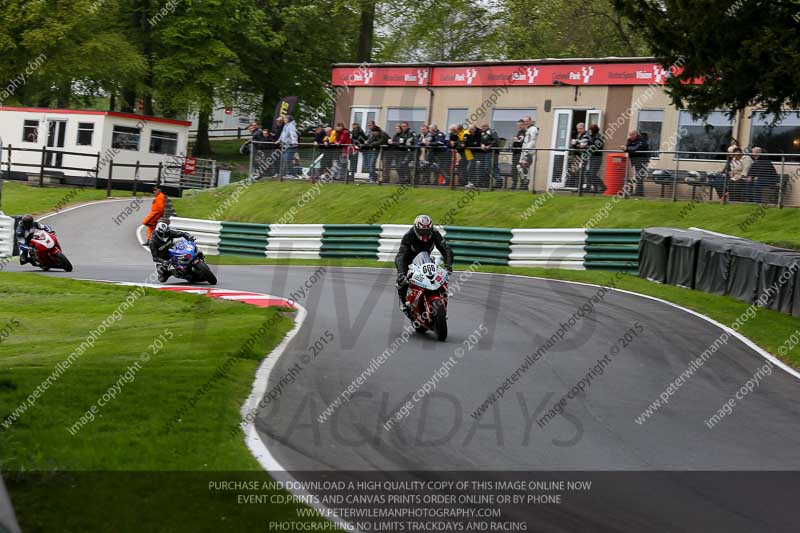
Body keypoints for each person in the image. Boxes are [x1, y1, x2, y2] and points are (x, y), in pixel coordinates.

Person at [394, 215, 454, 317]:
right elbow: (400, 256)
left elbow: (446, 249)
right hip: (409, 262)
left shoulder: (435, 233)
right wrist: (401, 273)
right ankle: (404, 303)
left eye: (427, 231)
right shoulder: (408, 236)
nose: (425, 235)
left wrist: (448, 265)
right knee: (401, 281)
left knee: (442, 277)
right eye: (422, 232)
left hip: (426, 260)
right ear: (416, 229)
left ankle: (442, 298)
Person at [621, 130, 650, 197]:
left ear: (636, 134)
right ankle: (639, 192)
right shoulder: (629, 140)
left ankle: (639, 192)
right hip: (635, 161)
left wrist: (626, 148)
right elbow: (627, 147)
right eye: (630, 134)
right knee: (638, 176)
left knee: (639, 176)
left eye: (632, 134)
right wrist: (624, 147)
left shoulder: (641, 140)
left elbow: (636, 148)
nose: (630, 136)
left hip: (642, 160)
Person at [517, 116, 539, 189]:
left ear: (530, 121)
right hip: (523, 151)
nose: (525, 123)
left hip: (528, 151)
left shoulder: (533, 129)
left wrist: (527, 150)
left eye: (527, 121)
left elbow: (533, 140)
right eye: (524, 121)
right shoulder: (527, 129)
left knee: (524, 164)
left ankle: (526, 181)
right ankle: (524, 181)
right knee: (519, 167)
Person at [567, 123, 591, 188]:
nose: (579, 130)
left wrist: (575, 144)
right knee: (575, 171)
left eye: (580, 128)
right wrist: (575, 144)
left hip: (584, 156)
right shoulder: (578, 135)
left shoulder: (586, 135)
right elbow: (575, 145)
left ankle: (581, 188)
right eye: (578, 128)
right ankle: (576, 186)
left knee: (582, 171)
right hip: (578, 156)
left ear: (583, 128)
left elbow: (583, 146)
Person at [586, 124, 606, 193]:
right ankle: (594, 188)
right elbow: (590, 144)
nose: (589, 131)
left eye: (590, 130)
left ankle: (603, 186)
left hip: (597, 157)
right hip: (592, 157)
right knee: (588, 173)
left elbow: (596, 146)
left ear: (593, 130)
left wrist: (588, 146)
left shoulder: (599, 137)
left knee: (592, 174)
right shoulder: (591, 136)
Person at [510, 119, 526, 189]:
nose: (519, 126)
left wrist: (517, 141)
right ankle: (514, 184)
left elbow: (523, 143)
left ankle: (522, 184)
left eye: (520, 125)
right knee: (514, 169)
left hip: (521, 153)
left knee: (520, 169)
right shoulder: (519, 132)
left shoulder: (525, 133)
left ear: (524, 125)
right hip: (515, 153)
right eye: (518, 125)